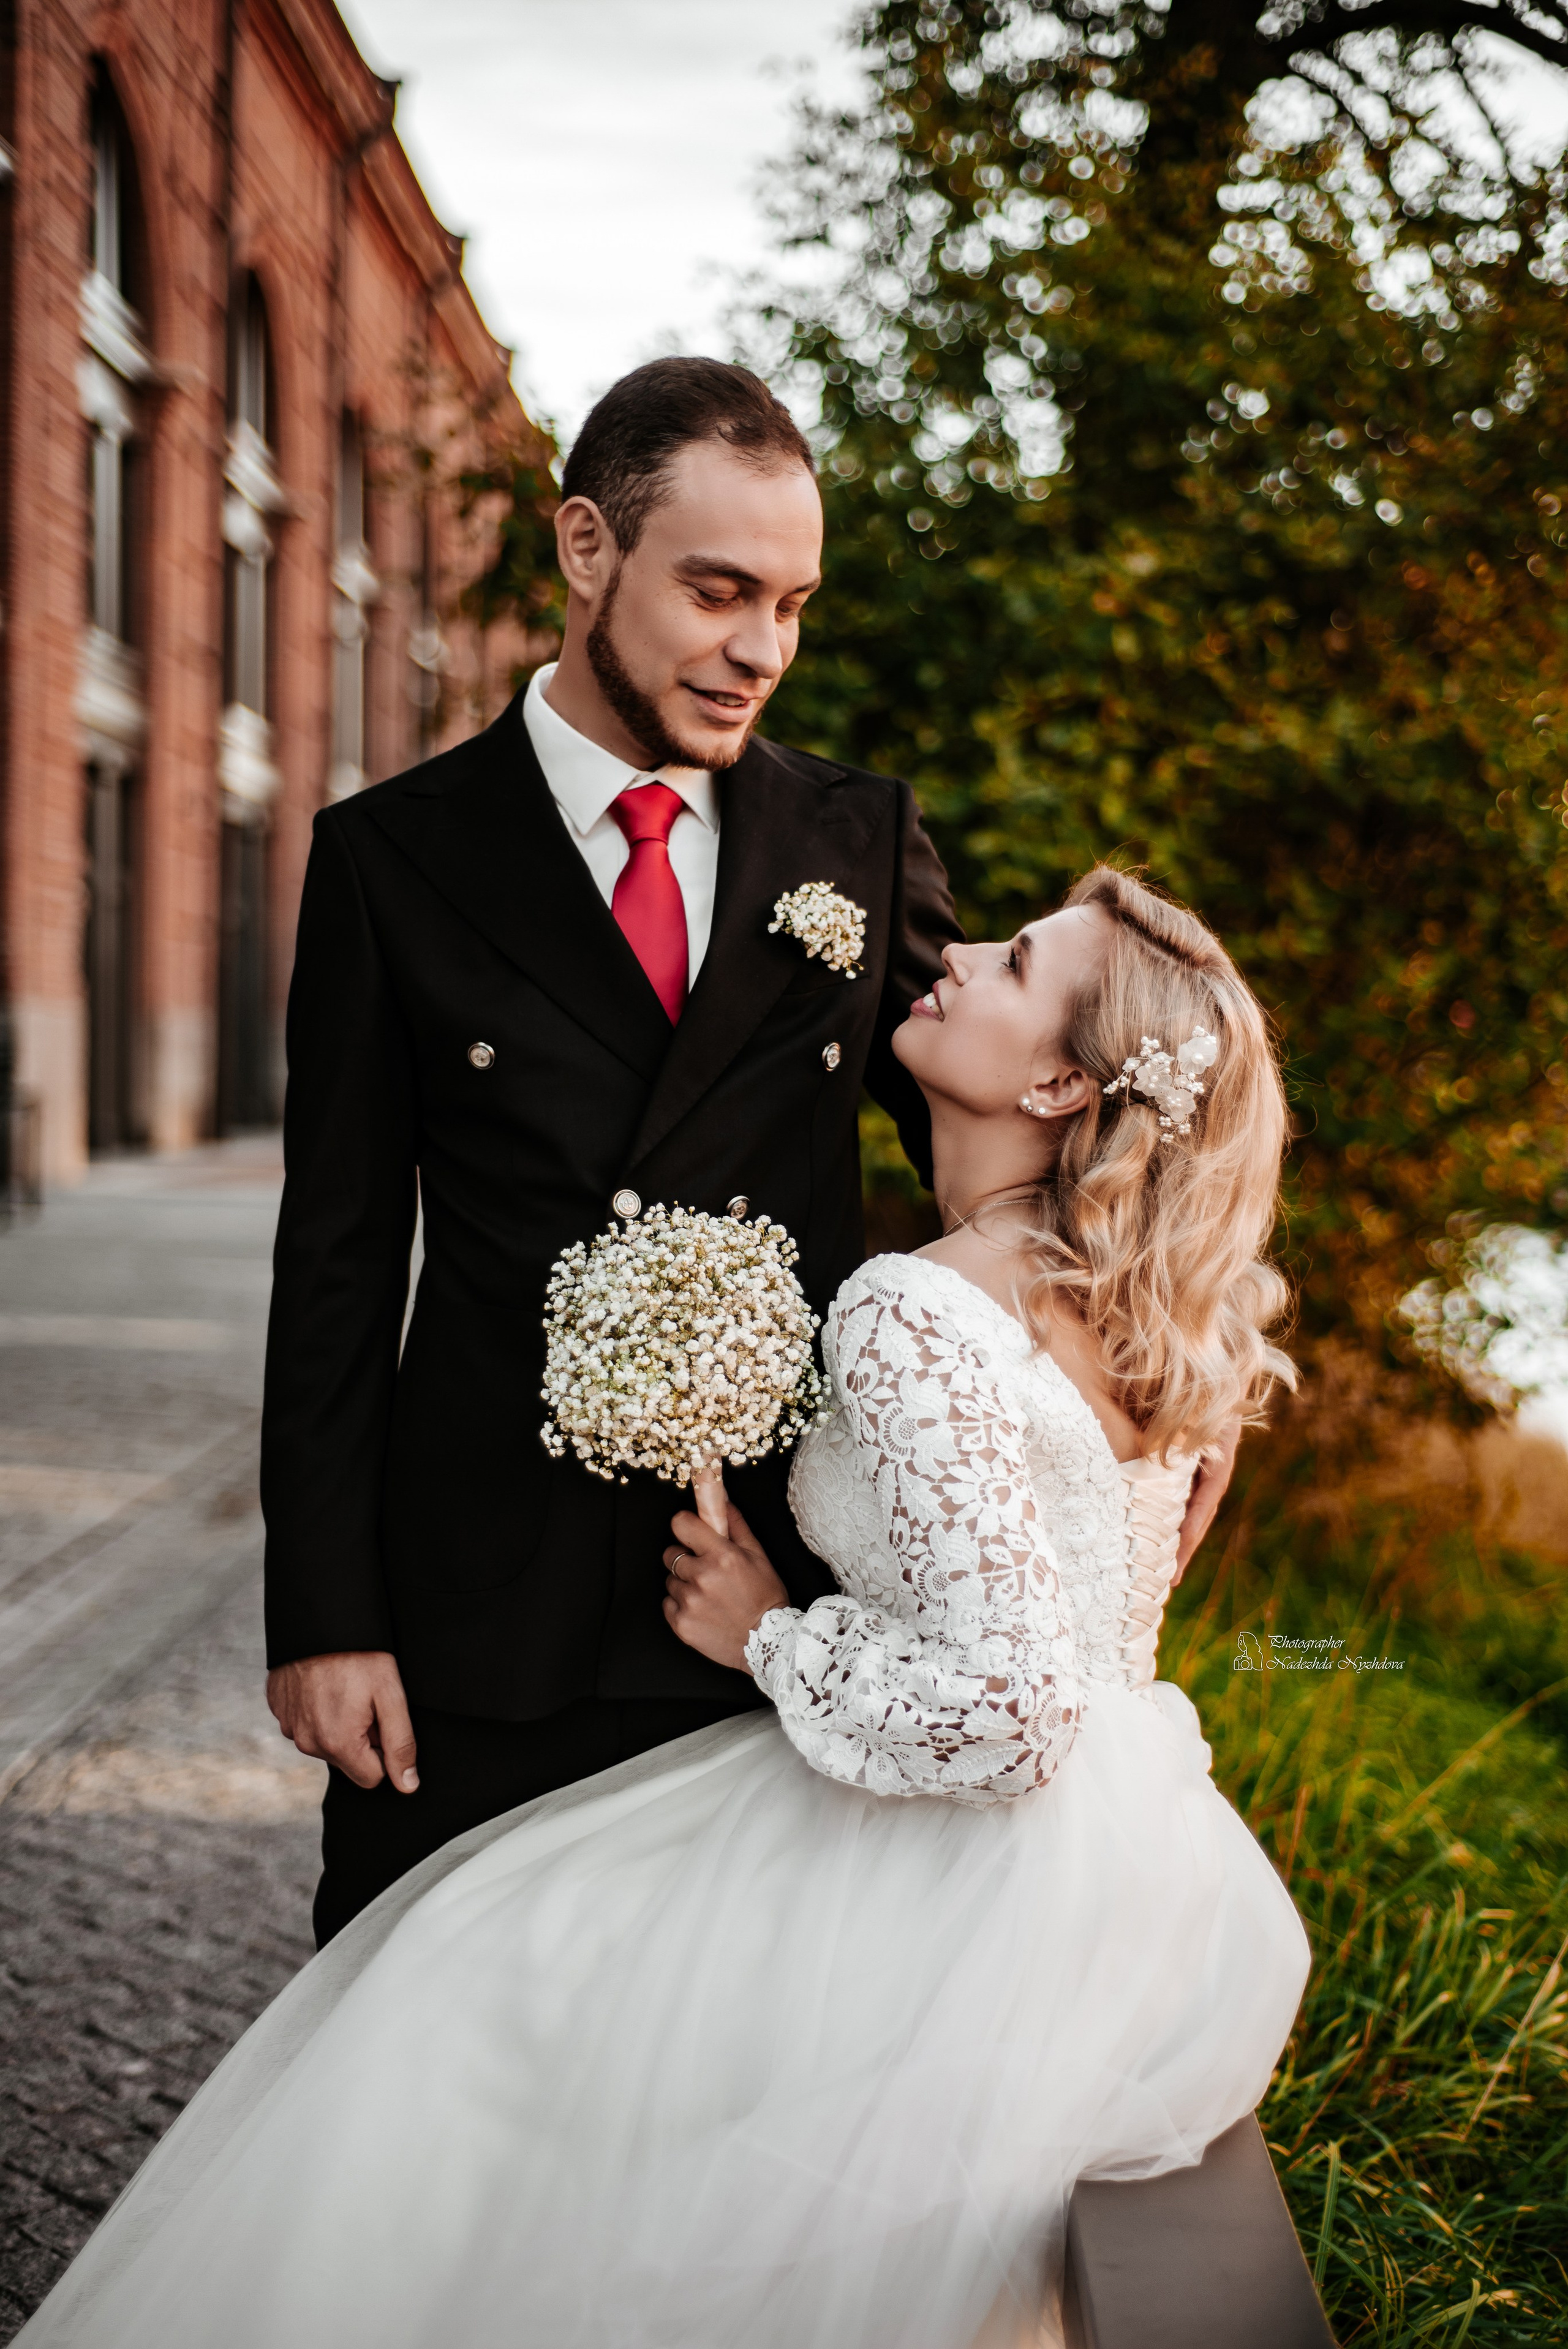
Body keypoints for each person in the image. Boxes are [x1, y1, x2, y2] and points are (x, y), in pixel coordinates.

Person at [17, 865, 1310, 2349]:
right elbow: (1098, 1609)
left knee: (469, 1996)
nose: (951, 955)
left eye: (1012, 964)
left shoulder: (924, 1307)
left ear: (1062, 1076)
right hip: (1123, 1858)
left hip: (951, 1881)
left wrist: (766, 1630)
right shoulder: (1153, 1315)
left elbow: (1014, 1715)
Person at [258, 356, 1235, 1944]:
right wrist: (327, 1612)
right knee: (407, 2028)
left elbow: (1061, 1117)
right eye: (720, 592)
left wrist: (1175, 1375)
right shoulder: (391, 861)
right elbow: (340, 1260)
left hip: (757, 1597)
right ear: (588, 547)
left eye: (792, 603)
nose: (760, 650)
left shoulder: (856, 835)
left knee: (678, 2098)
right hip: (470, 1601)